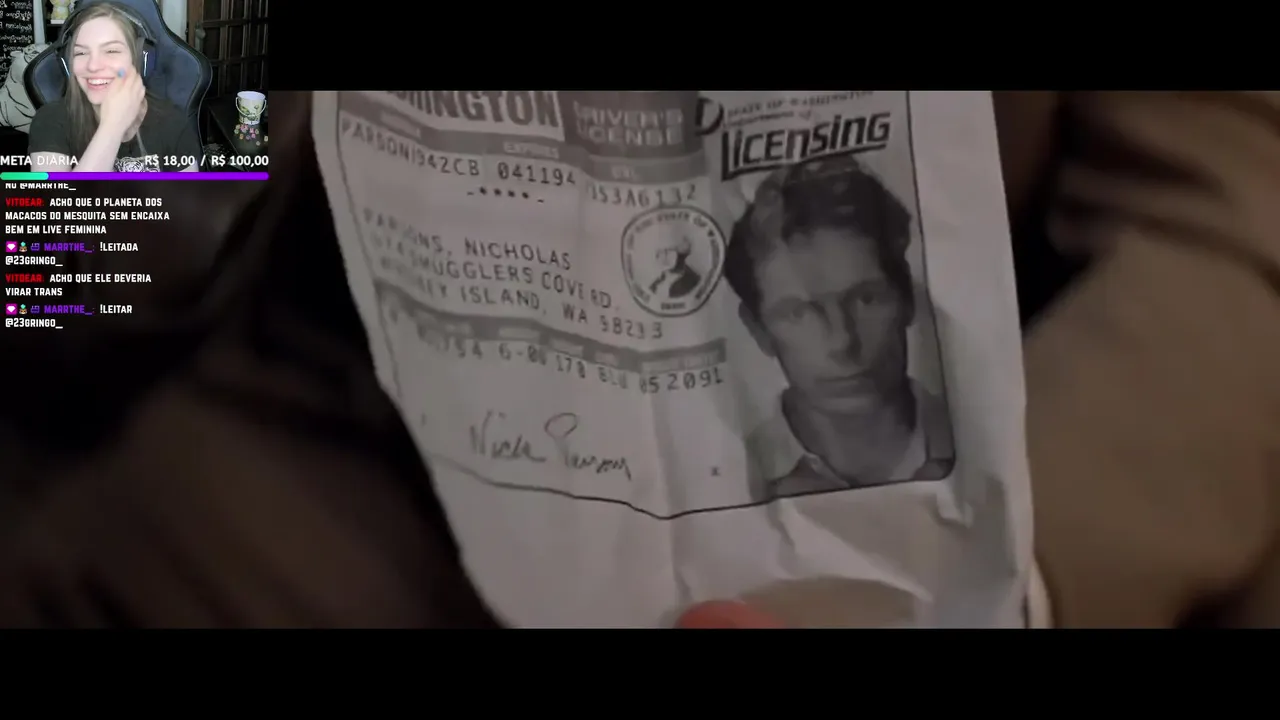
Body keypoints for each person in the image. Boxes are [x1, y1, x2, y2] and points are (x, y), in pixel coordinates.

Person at [726, 156, 953, 503]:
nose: (842, 342)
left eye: (866, 299)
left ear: (907, 296)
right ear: (758, 330)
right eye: (799, 313)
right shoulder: (726, 477)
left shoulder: (981, 436)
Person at [27, 2, 202, 173]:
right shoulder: (51, 120)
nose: (93, 66)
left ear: (140, 60)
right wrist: (112, 126)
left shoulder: (172, 123)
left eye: (111, 51)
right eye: (80, 52)